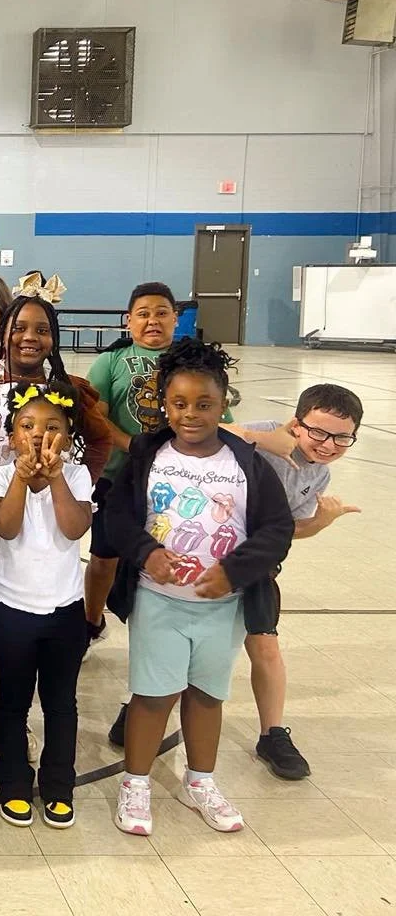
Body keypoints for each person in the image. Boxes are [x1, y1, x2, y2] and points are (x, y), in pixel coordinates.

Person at [106, 340, 293, 837]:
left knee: (208, 695)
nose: (190, 415)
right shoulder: (148, 454)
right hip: (158, 600)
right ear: (164, 403)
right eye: (179, 404)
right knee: (152, 695)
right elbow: (117, 516)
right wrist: (147, 553)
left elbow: (277, 530)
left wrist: (234, 571)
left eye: (204, 404)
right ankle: (136, 783)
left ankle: (200, 780)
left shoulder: (247, 463)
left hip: (221, 607)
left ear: (224, 401)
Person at [0, 294, 113, 770]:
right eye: (20, 327)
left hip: (40, 525)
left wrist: (83, 478)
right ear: (4, 331)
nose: (29, 337)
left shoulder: (70, 391)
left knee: (9, 622)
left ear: (53, 338)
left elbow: (100, 438)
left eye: (41, 329)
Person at [224, 384, 363, 781]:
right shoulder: (264, 433)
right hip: (210, 554)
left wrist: (321, 522)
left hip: (258, 566)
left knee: (266, 647)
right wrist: (259, 438)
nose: (327, 444)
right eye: (317, 431)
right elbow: (206, 431)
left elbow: (289, 528)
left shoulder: (320, 473)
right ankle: (136, 708)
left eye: (341, 437)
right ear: (296, 423)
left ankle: (272, 733)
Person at [0, 382, 94, 829]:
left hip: (65, 610)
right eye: (27, 426)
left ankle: (58, 785)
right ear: (12, 436)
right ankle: (13, 783)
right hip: (11, 608)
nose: (38, 434)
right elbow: (5, 528)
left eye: (52, 427)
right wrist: (20, 477)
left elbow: (73, 529)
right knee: (11, 702)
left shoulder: (78, 475)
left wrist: (54, 479)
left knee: (60, 703)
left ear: (68, 436)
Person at [84, 283, 180, 648]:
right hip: (117, 478)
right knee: (104, 556)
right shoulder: (110, 361)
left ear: (175, 317)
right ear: (129, 321)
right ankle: (91, 623)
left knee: (166, 555)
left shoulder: (190, 359)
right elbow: (94, 416)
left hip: (173, 482)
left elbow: (219, 418)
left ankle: (162, 631)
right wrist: (132, 445)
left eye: (160, 312)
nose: (152, 320)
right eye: (143, 314)